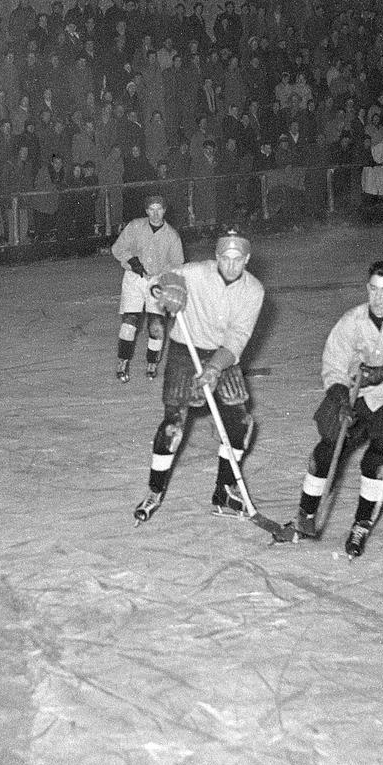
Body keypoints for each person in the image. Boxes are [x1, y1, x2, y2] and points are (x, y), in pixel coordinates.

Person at [275, 261, 383, 557]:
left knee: (375, 459)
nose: (378, 298)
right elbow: (334, 365)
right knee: (325, 452)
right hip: (357, 394)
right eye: (373, 290)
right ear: (368, 288)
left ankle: (361, 523)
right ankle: (305, 516)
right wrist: (341, 399)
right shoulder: (351, 321)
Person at [133, 226, 265, 523]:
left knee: (241, 424)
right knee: (173, 426)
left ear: (247, 259)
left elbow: (238, 337)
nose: (230, 265)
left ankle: (225, 490)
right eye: (224, 258)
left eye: (237, 259)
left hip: (223, 356)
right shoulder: (195, 272)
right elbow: (155, 283)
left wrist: (216, 367)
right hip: (185, 352)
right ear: (216, 257)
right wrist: (166, 289)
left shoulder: (254, 290)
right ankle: (155, 490)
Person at [109, 191, 184, 382]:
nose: (155, 214)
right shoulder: (135, 226)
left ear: (165, 211)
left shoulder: (172, 236)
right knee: (130, 322)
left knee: (156, 325)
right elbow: (118, 248)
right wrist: (132, 261)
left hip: (157, 280)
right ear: (146, 211)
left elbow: (178, 264)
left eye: (159, 210)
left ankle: (152, 363)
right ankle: (123, 361)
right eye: (152, 210)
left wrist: (165, 277)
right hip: (134, 279)